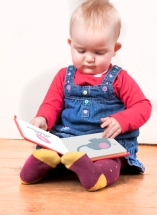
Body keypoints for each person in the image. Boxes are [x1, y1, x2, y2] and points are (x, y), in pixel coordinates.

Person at [20, 0, 152, 191]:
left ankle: (95, 175)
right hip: (69, 137)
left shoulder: (119, 78)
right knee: (50, 151)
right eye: (81, 50)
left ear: (115, 49)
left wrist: (122, 120)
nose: (89, 58)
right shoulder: (63, 76)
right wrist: (43, 118)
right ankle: (38, 169)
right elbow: (52, 104)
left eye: (99, 52)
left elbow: (143, 106)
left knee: (111, 162)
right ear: (70, 44)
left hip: (107, 143)